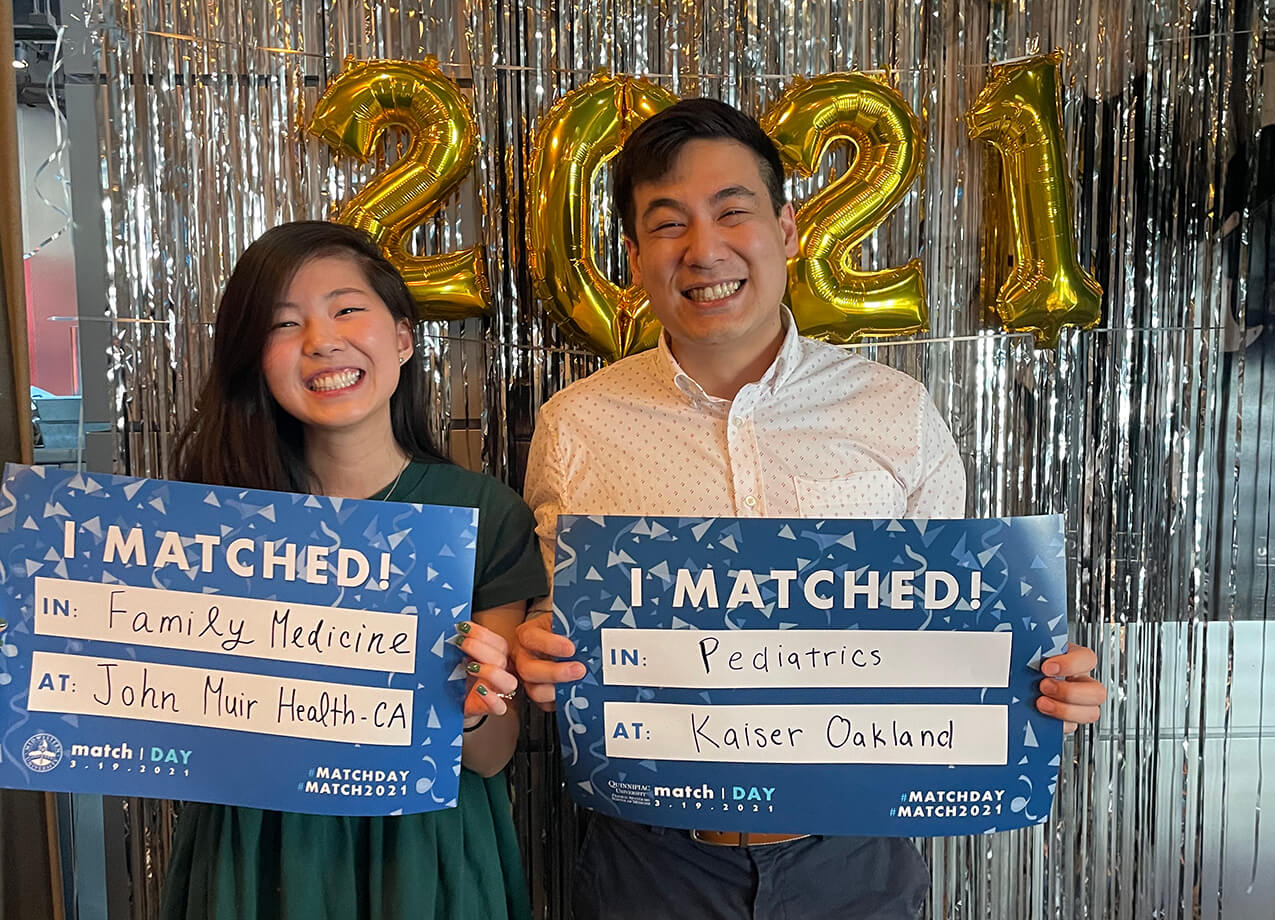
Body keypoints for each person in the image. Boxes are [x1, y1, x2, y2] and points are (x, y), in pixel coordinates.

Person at [514, 99, 1108, 919]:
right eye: (667, 223)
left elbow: (964, 636)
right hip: (649, 862)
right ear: (635, 254)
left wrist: (1040, 687)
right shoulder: (575, 426)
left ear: (788, 229)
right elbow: (558, 627)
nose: (704, 249)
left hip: (855, 864)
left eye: (733, 212)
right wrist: (537, 656)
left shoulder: (894, 410)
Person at [160, 221, 547, 920]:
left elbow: (493, 755)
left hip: (423, 850)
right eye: (284, 323)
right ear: (255, 360)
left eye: (346, 309)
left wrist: (469, 710)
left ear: (402, 337)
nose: (321, 340)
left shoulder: (485, 514)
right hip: (261, 845)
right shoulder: (211, 518)